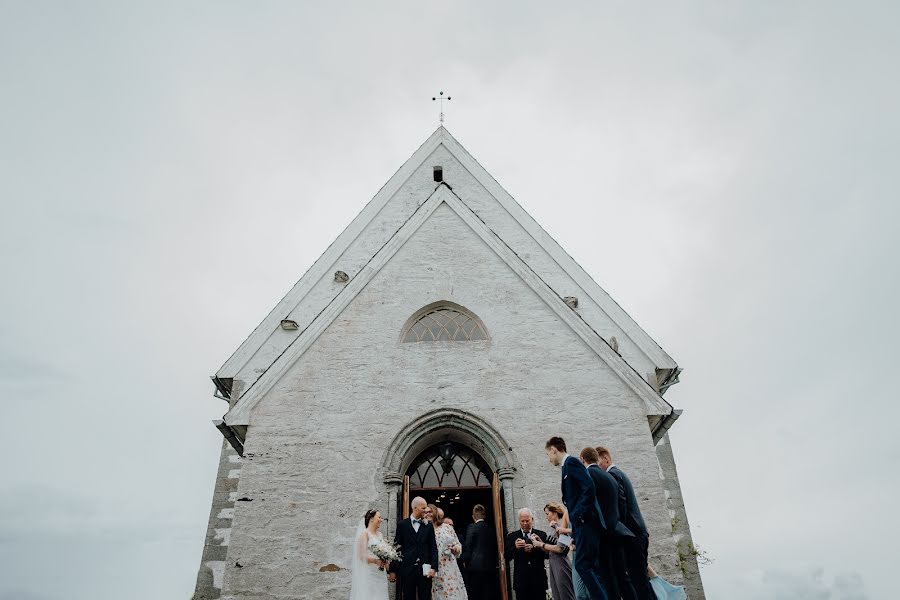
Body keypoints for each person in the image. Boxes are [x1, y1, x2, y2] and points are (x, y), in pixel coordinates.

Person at [545, 436, 608, 600]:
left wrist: (578, 516)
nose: (549, 458)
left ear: (553, 449)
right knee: (592, 567)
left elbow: (588, 487)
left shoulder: (572, 462)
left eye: (548, 454)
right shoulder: (566, 467)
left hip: (586, 523)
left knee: (581, 565)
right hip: (581, 527)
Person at [597, 446, 654, 600]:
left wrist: (617, 529)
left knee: (639, 582)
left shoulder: (613, 475)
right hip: (636, 532)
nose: (597, 469)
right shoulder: (619, 474)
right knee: (640, 580)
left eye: (598, 463)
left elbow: (620, 505)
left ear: (606, 459)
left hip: (632, 534)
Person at [581, 447, 636, 600]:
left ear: (583, 460)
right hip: (616, 531)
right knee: (622, 577)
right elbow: (620, 504)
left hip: (602, 534)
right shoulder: (610, 477)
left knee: (607, 578)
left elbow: (588, 504)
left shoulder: (588, 474)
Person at [389, 496, 439, 600]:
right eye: (423, 508)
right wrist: (393, 570)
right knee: (408, 596)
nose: (426, 511)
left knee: (425, 597)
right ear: (415, 508)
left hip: (424, 569)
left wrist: (434, 567)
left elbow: (433, 547)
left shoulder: (428, 525)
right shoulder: (402, 525)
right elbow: (396, 548)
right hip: (407, 569)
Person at [529, 502, 576, 600]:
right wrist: (539, 541)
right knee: (557, 595)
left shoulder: (562, 526)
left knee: (566, 595)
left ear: (555, 513)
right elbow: (549, 551)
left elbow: (560, 549)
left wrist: (541, 544)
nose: (546, 517)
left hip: (561, 564)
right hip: (553, 563)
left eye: (547, 514)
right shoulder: (552, 528)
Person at [504, 508, 549, 600]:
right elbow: (506, 556)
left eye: (527, 521)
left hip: (538, 580)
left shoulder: (541, 534)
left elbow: (547, 555)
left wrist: (535, 548)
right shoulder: (512, 536)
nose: (525, 523)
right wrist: (515, 548)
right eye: (522, 521)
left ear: (532, 519)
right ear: (519, 521)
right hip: (521, 581)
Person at [349, 509, 390, 600]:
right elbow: (362, 555)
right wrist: (376, 561)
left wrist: (386, 560)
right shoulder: (365, 534)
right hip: (370, 573)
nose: (381, 520)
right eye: (379, 517)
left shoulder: (380, 535)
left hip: (380, 573)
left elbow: (384, 553)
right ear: (371, 519)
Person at [430, 505, 468, 600]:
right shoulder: (426, 528)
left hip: (449, 566)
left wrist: (455, 548)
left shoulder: (447, 528)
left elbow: (458, 545)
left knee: (452, 594)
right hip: (434, 567)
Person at [460, 504, 496, 600]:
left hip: (475, 568)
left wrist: (461, 559)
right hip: (490, 568)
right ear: (484, 515)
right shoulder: (491, 529)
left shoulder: (472, 527)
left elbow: (468, 547)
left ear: (473, 517)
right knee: (488, 595)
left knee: (476, 595)